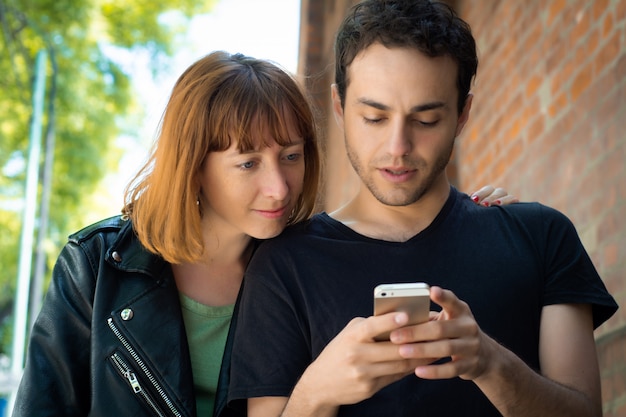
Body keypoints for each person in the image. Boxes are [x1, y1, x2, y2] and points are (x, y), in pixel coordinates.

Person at [11, 48, 513, 417]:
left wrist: (460, 213)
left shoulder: (302, 263)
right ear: (194, 166)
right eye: (247, 162)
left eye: (291, 156)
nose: (279, 186)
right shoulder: (99, 265)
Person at [225, 1, 619, 417]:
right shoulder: (284, 263)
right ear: (340, 108)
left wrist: (490, 363)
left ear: (462, 114)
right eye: (375, 117)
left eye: (426, 120)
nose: (398, 147)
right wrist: (318, 391)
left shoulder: (541, 235)